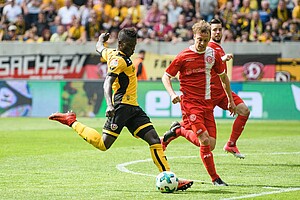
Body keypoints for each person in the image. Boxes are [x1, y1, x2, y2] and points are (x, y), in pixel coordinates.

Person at [48, 27, 193, 191]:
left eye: (134, 45)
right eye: (130, 45)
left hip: (133, 108)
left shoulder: (111, 53)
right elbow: (107, 82)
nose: (132, 49)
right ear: (121, 43)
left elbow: (99, 48)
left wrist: (101, 39)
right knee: (103, 144)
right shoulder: (118, 61)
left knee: (154, 140)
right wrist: (109, 105)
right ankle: (72, 121)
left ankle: (170, 177)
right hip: (121, 108)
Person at [161, 20, 236, 186]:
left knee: (212, 144)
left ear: (209, 38)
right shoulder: (183, 57)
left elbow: (223, 78)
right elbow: (166, 76)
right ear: (193, 38)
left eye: (204, 39)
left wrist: (230, 100)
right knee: (204, 140)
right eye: (198, 39)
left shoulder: (213, 55)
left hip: (207, 105)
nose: (201, 43)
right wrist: (172, 94)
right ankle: (215, 178)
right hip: (190, 104)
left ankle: (179, 130)